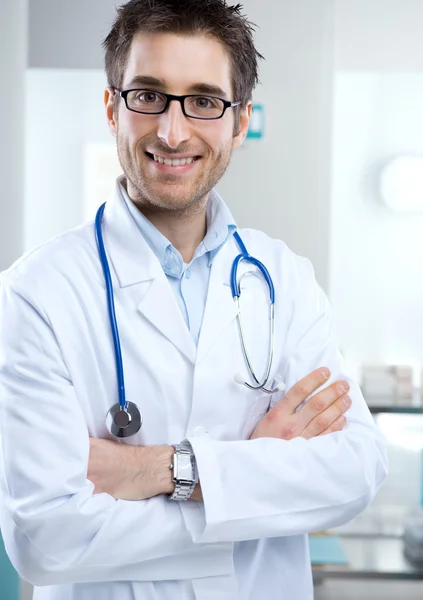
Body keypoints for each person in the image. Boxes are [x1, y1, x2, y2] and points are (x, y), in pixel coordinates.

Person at [0, 1, 387, 599]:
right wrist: (252, 487)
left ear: (238, 122)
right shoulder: (39, 291)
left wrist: (163, 470)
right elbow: (44, 537)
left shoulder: (284, 278)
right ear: (112, 109)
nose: (173, 131)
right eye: (148, 96)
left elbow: (357, 470)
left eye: (204, 101)